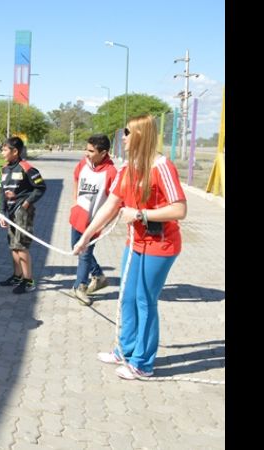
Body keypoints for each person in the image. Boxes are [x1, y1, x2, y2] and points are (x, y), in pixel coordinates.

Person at [73, 115, 187, 381]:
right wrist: (86, 236)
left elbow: (179, 209)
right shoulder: (127, 168)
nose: (122, 138)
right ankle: (124, 350)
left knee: (144, 300)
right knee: (127, 297)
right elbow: (111, 204)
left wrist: (140, 214)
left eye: (127, 132)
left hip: (160, 245)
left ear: (141, 135)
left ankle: (142, 364)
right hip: (135, 243)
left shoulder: (162, 166)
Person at [68, 134, 117, 305]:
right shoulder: (83, 164)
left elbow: (116, 201)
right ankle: (98, 276)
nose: (86, 153)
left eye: (91, 151)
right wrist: (75, 201)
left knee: (84, 253)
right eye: (86, 149)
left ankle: (79, 287)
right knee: (76, 248)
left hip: (93, 222)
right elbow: (76, 178)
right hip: (78, 216)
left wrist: (106, 222)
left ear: (103, 153)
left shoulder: (111, 172)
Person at [0, 136, 46, 294]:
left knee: (21, 246)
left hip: (23, 212)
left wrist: (26, 203)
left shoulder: (27, 168)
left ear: (15, 151)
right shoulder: (4, 169)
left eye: (5, 150)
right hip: (10, 212)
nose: (2, 152)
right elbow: (1, 192)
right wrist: (1, 213)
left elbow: (41, 187)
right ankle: (17, 276)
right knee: (13, 245)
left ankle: (28, 280)